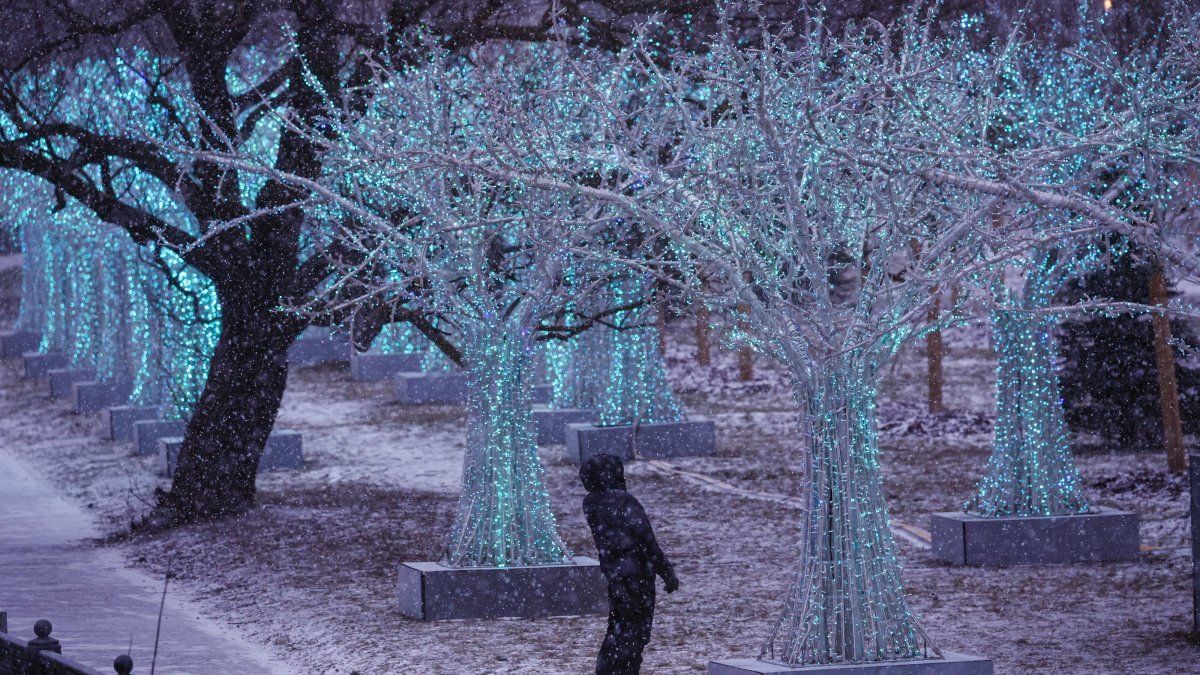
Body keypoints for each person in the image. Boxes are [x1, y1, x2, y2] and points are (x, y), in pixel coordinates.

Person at [580, 453, 680, 675]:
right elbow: (647, 540)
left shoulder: (591, 503)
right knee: (635, 633)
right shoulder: (624, 501)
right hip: (638, 576)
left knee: (618, 628)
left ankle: (607, 670)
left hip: (616, 577)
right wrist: (667, 571)